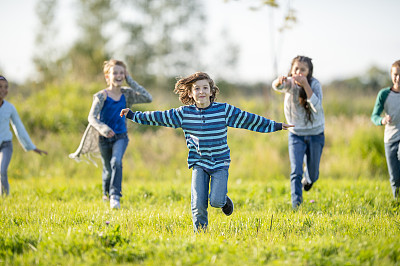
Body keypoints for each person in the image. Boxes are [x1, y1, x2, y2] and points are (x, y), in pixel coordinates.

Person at [120, 71, 293, 232]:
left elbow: (248, 119)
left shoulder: (223, 110)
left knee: (216, 201)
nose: (201, 91)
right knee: (198, 202)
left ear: (211, 91)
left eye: (205, 88)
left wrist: (276, 125)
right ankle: (201, 233)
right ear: (190, 93)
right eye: (197, 88)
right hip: (199, 163)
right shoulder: (183, 114)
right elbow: (159, 117)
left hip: (220, 163)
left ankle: (224, 201)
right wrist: (134, 115)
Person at [69, 60, 152, 209]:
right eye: (115, 72)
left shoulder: (127, 94)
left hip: (121, 136)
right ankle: (106, 194)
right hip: (104, 138)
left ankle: (115, 196)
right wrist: (103, 129)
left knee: (116, 162)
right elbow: (91, 117)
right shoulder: (101, 96)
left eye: (122, 73)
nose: (118, 75)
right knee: (107, 169)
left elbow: (148, 98)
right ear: (108, 76)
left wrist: (130, 81)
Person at [272, 56, 325, 208]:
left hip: (316, 133)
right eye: (296, 69)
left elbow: (317, 107)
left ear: (309, 72)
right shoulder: (289, 83)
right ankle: (297, 204)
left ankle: (308, 179)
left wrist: (306, 85)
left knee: (314, 174)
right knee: (295, 170)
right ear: (291, 70)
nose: (299, 72)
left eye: (303, 70)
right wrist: (279, 81)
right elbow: (276, 87)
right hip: (295, 134)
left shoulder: (314, 85)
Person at [0, 75, 47, 196]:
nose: (4, 90)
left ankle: (5, 197)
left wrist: (32, 147)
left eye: (6, 87)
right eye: (0, 87)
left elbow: (19, 128)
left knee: (2, 170)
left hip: (6, 144)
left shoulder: (10, 108)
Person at [371, 60, 400, 199]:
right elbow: (374, 116)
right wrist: (382, 120)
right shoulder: (384, 94)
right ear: (391, 75)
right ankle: (397, 202)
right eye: (396, 74)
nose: (398, 78)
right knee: (394, 178)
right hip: (390, 139)